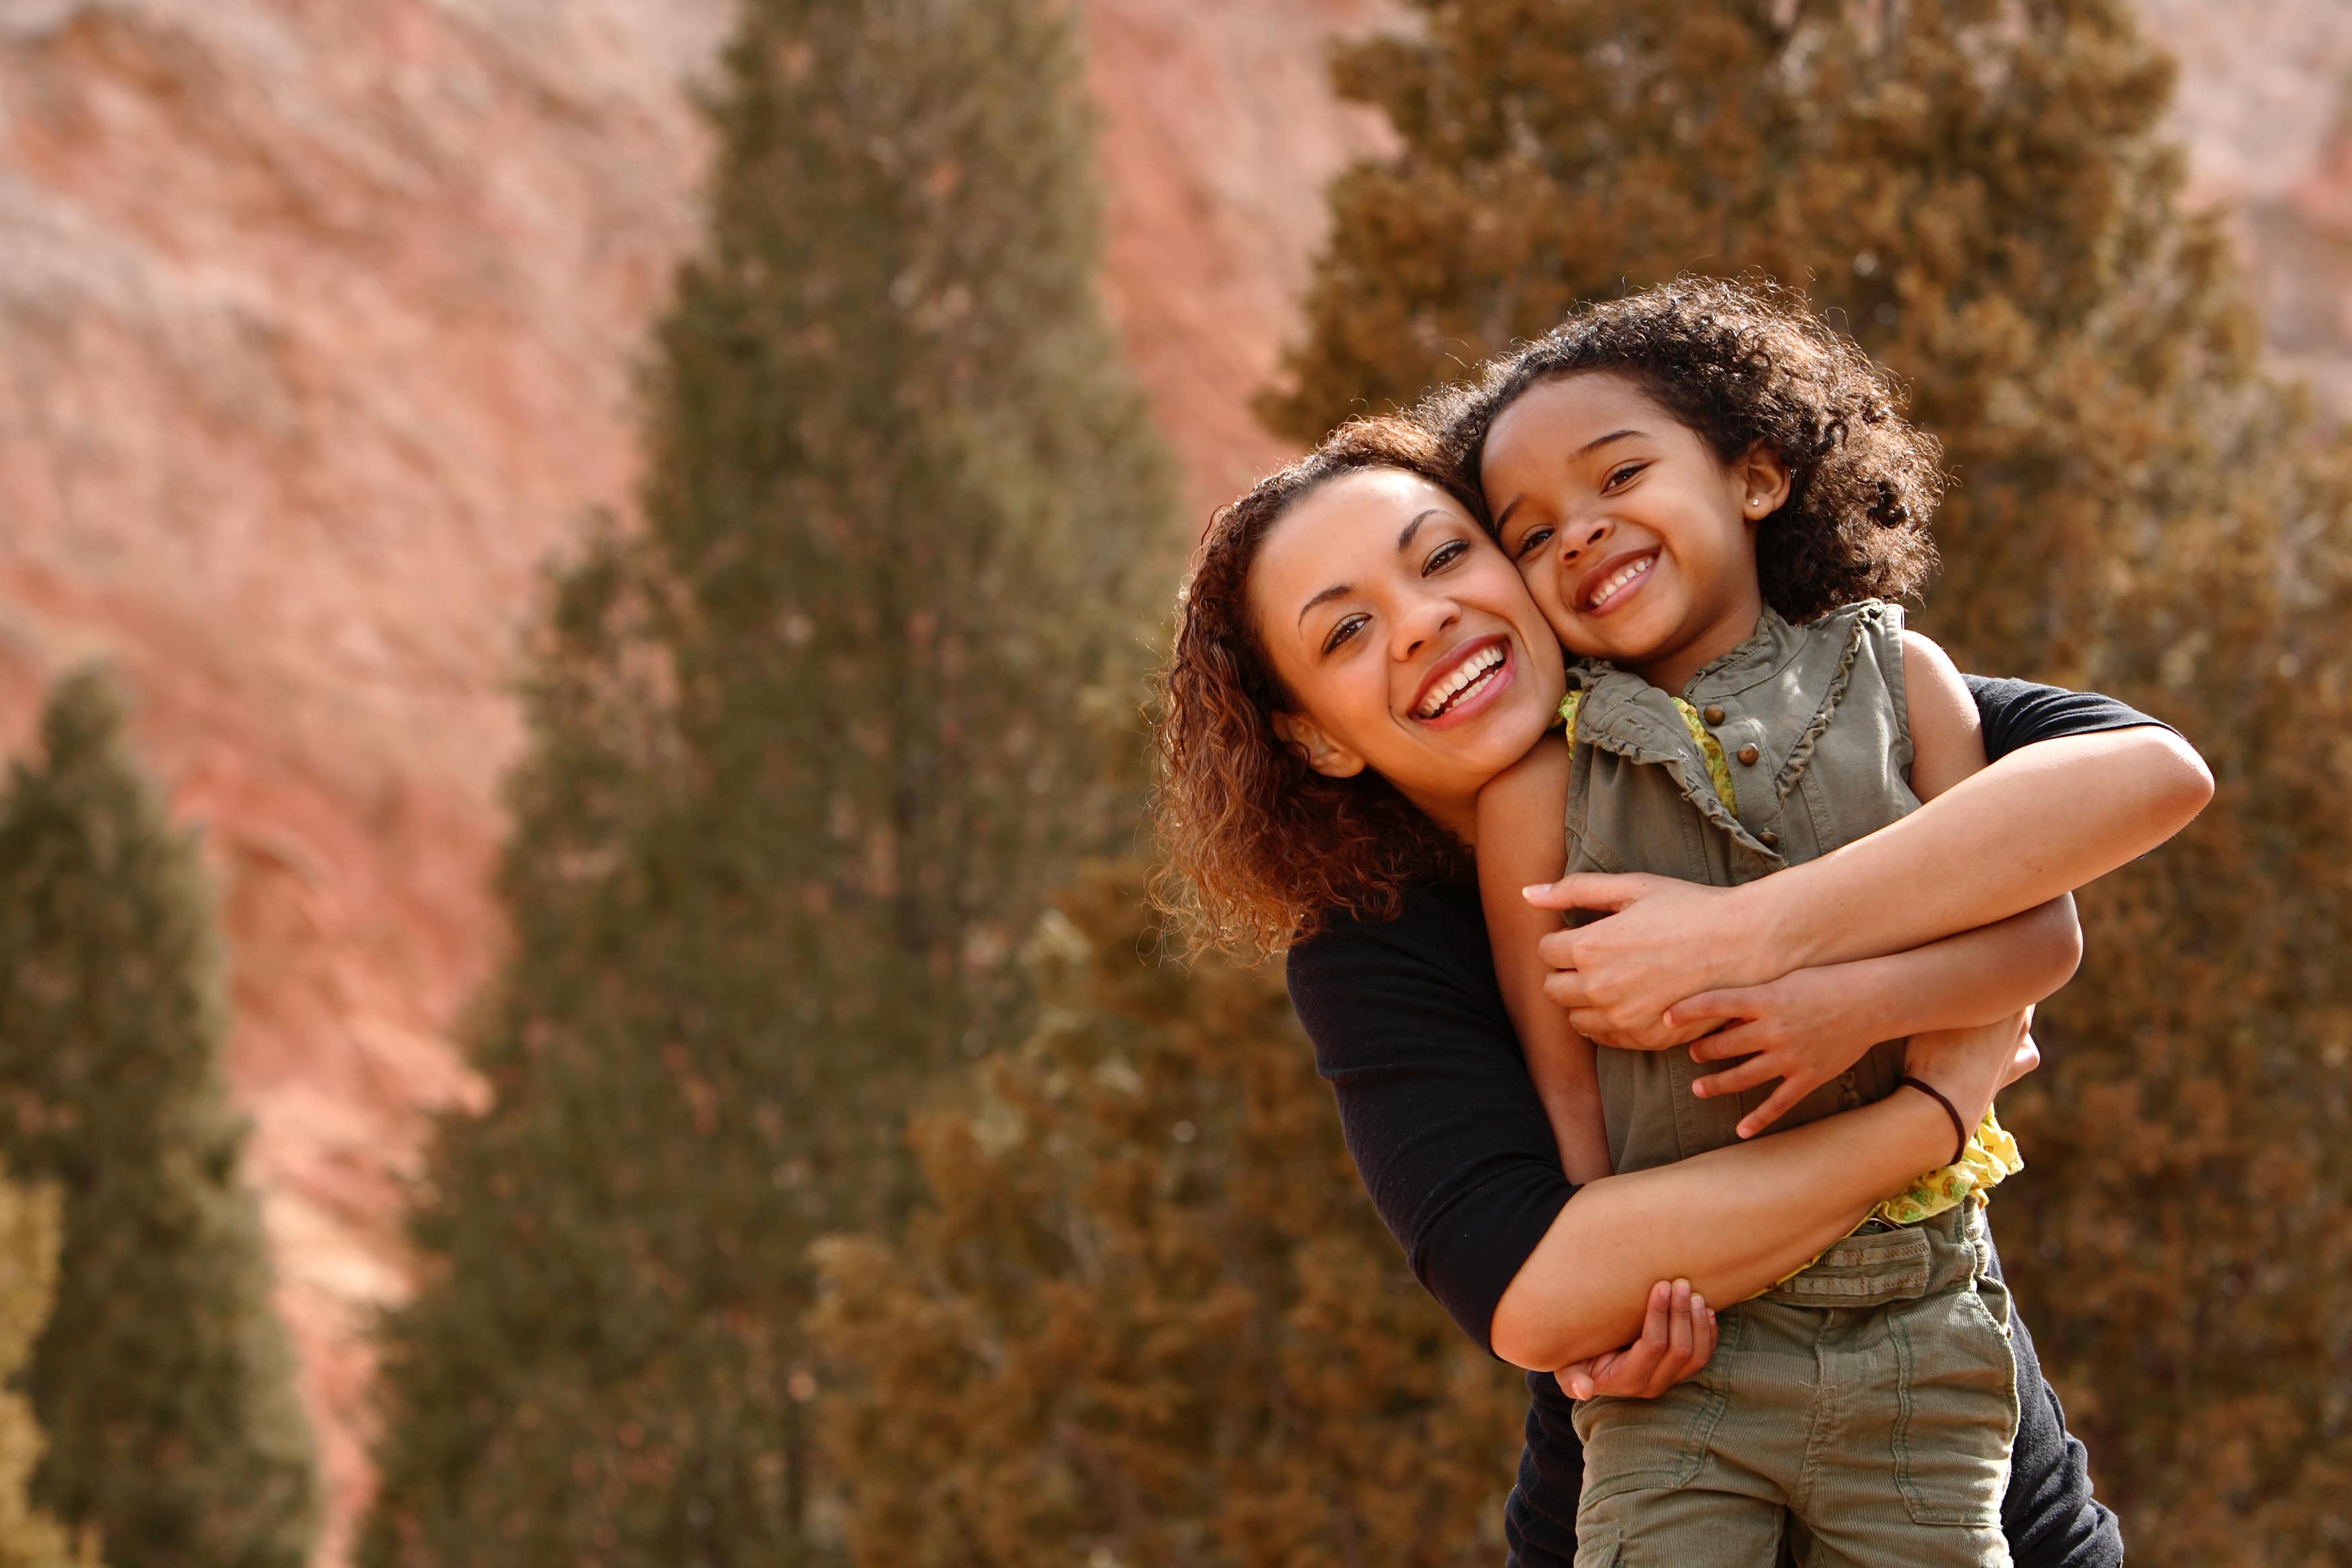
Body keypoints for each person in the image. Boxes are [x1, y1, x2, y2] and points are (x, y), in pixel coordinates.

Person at [1150, 411, 2214, 1565]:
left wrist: (1744, 936)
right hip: (1649, 1473)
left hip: (1970, 1473)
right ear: (1316, 740)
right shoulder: (1375, 947)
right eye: (1347, 631)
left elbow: (2135, 786)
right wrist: (1930, 1120)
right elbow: (1544, 1291)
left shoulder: (1786, 712)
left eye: (1445, 556)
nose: (1423, 623)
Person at [1449, 281, 2159, 1565]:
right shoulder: (1539, 790)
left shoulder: (1905, 680)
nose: (1581, 536)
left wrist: (1852, 1003)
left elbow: (2042, 943)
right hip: (1691, 1352)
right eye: (1532, 532)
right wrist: (1606, 1318)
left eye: (1620, 476)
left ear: (1758, 476)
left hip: (1919, 1329)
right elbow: (1566, 1093)